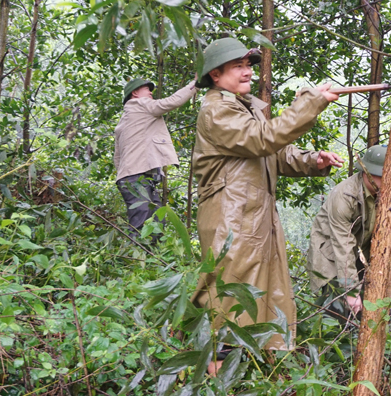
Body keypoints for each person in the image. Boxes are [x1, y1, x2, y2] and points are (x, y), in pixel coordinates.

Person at [190, 38, 344, 365]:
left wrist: (312, 160)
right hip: (230, 222)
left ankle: (253, 377)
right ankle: (219, 382)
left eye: (249, 66)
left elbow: (272, 153)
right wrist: (310, 103)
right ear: (215, 75)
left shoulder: (243, 107)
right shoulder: (217, 109)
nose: (247, 73)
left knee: (261, 303)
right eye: (238, 66)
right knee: (229, 307)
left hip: (253, 218)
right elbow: (262, 140)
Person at [307, 144, 387, 322]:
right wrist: (350, 289)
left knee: (362, 314)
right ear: (368, 172)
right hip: (331, 256)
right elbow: (342, 245)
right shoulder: (345, 196)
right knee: (337, 317)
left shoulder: (383, 193)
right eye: (383, 176)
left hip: (356, 255)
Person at [113, 78, 197, 234]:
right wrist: (195, 84)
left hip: (132, 177)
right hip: (136, 177)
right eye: (146, 89)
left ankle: (148, 256)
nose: (150, 92)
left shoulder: (123, 121)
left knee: (156, 222)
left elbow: (117, 158)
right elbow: (172, 102)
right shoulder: (140, 105)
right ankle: (135, 257)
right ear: (135, 93)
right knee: (143, 223)